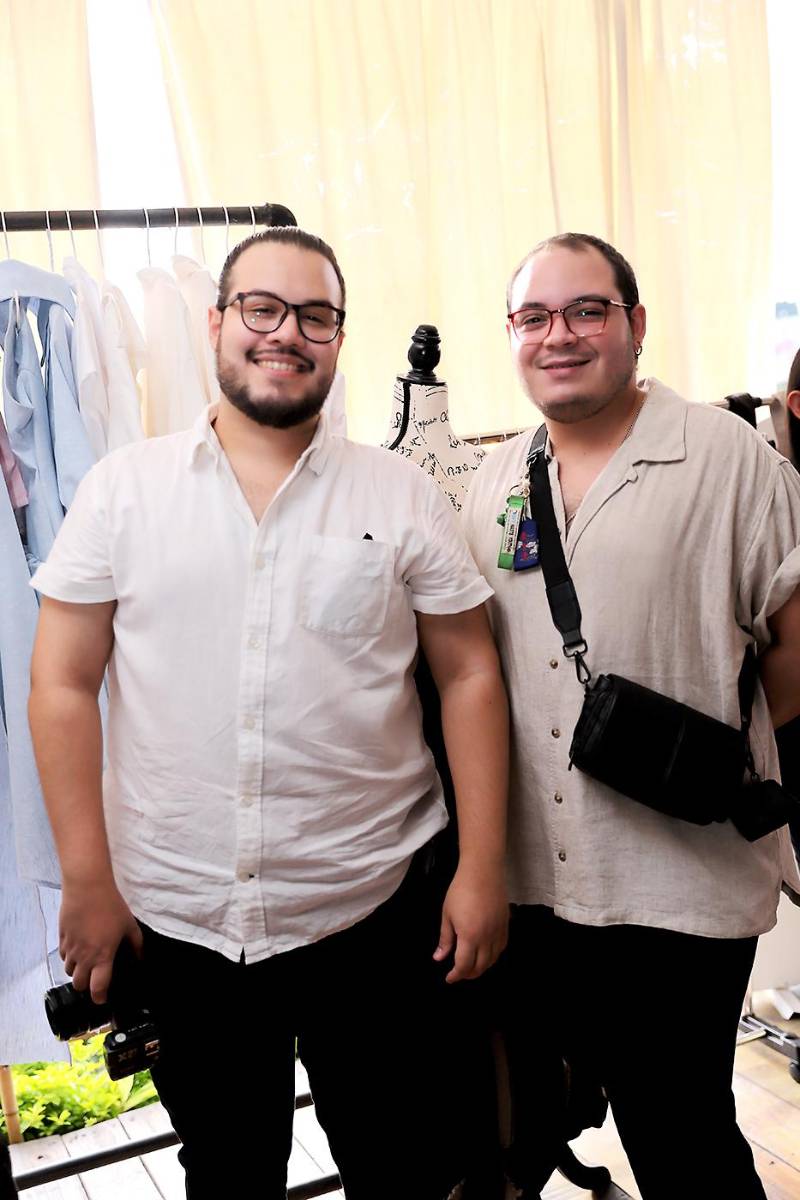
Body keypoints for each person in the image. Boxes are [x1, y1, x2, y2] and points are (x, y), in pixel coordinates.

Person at [28, 227, 510, 1200]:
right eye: (262, 307)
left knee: (401, 1169)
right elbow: (62, 683)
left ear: (338, 337)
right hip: (183, 923)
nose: (286, 332)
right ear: (215, 322)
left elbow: (468, 675)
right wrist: (86, 878)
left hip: (372, 914)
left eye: (315, 315)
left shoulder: (400, 494)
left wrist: (482, 869)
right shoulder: (123, 492)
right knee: (227, 1172)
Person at [461, 232, 800, 1199]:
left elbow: (793, 646)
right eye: (534, 317)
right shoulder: (495, 480)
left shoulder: (725, 459)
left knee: (681, 1137)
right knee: (530, 1124)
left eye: (587, 310)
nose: (559, 335)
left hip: (678, 880)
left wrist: (695, 750)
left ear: (635, 324)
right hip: (536, 887)